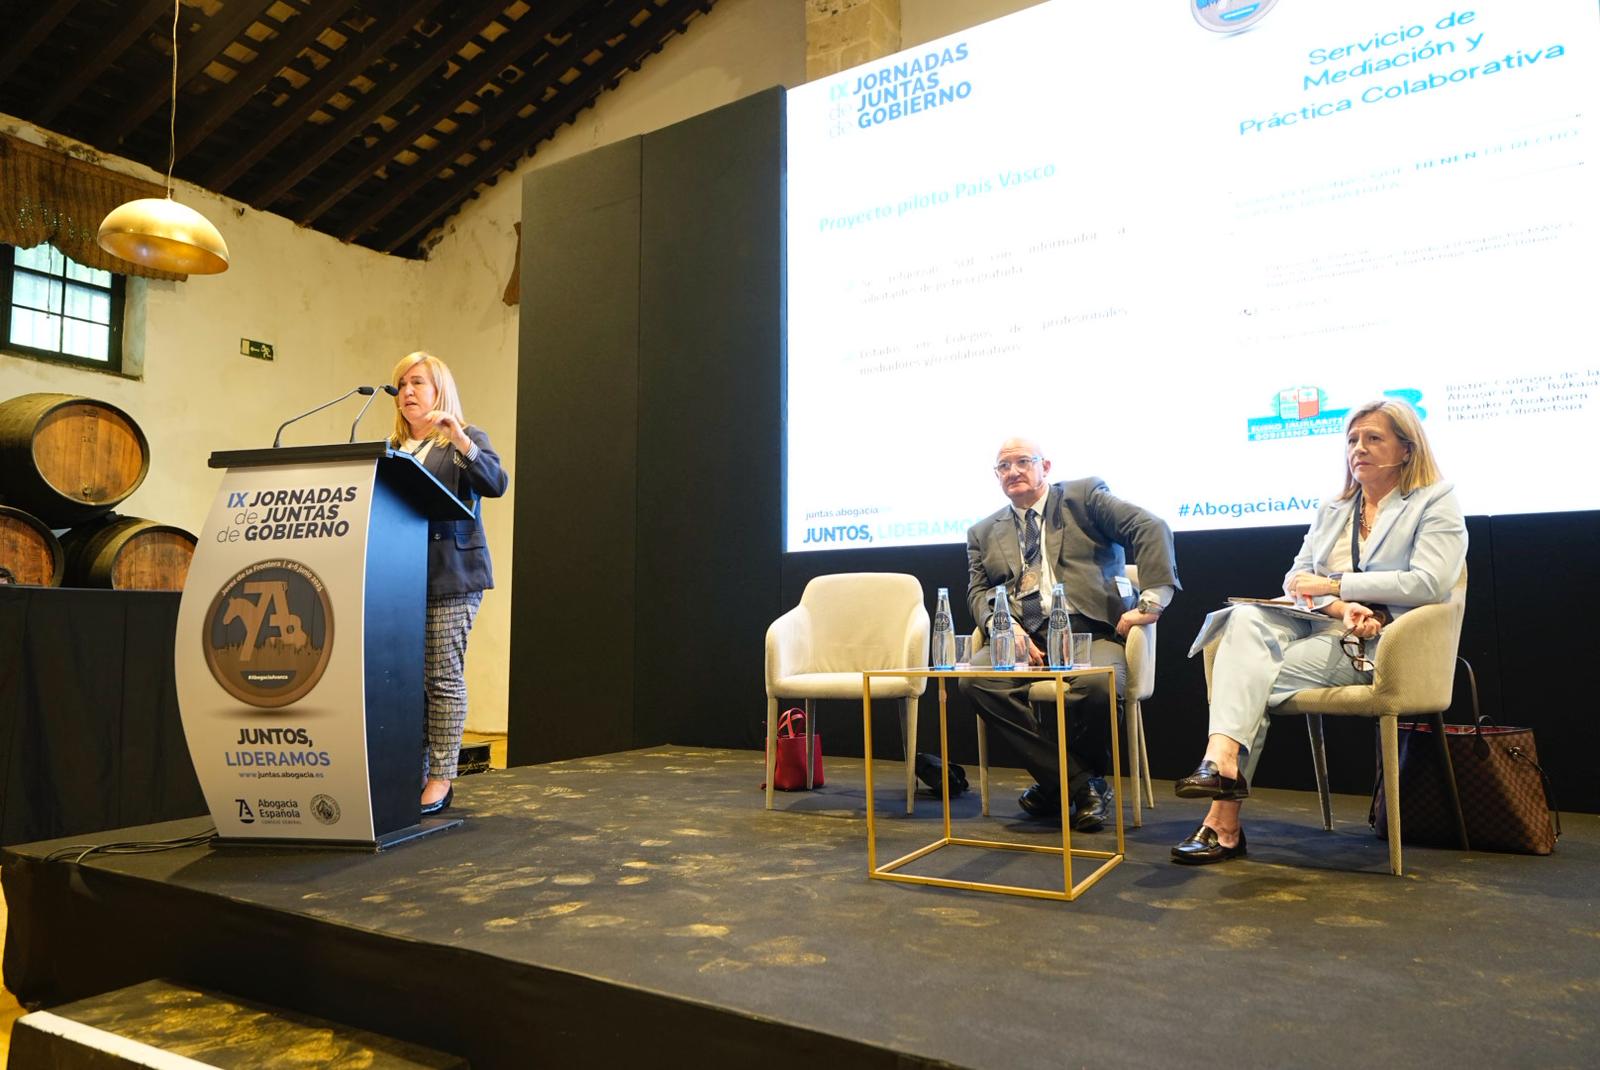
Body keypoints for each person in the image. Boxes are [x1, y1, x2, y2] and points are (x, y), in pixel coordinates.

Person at [1171, 398, 1466, 864]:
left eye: (1373, 439)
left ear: (1406, 449)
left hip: (1386, 643)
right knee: (1245, 620)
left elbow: (1430, 582)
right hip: (1330, 625)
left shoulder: (1435, 500)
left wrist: (1336, 584)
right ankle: (1222, 766)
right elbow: (1295, 579)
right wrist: (1341, 604)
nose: (1359, 449)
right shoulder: (1336, 508)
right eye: (1352, 440)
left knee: (1248, 678)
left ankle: (1221, 815)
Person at [961, 437, 1181, 830]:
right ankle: (1082, 786)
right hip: (1023, 637)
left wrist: (1151, 601)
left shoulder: (1084, 497)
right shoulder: (982, 532)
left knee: (1097, 686)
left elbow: (1151, 527)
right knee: (976, 680)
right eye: (1003, 466)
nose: (1013, 472)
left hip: (1088, 632)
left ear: (1046, 467)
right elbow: (978, 591)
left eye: (1022, 462)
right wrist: (1004, 625)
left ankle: (1056, 787)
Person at [389, 351, 509, 816]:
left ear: (440, 390)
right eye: (401, 385)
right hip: (398, 578)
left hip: (452, 576)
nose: (407, 392)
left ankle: (441, 778)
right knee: (407, 682)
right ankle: (410, 773)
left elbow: (496, 482)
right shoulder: (392, 450)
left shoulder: (464, 438)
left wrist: (458, 437)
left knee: (441, 677)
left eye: (417, 382)